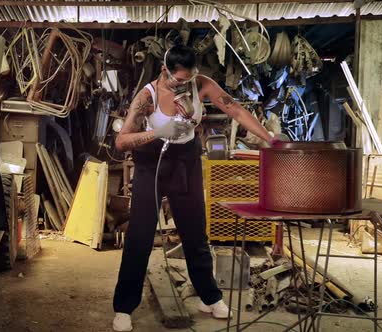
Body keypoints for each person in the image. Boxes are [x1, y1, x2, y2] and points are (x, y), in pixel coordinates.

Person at [112, 45, 274, 332]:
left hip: (185, 160)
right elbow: (121, 141)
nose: (183, 86)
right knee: (140, 234)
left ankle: (209, 297)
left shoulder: (202, 86)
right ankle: (124, 307)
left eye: (188, 80)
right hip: (152, 163)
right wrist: (158, 132)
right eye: (178, 81)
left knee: (195, 230)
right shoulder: (147, 96)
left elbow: (234, 109)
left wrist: (268, 139)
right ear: (165, 71)